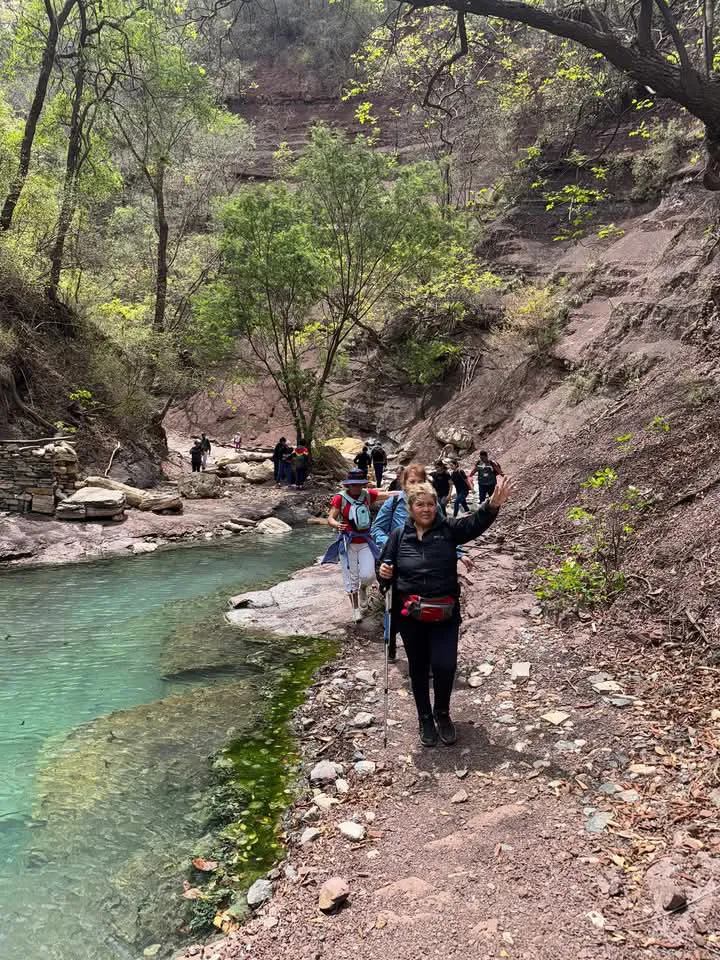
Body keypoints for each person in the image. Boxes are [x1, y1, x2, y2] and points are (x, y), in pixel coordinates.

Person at [377, 477, 512, 747]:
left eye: (430, 504)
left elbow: (474, 524)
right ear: (410, 507)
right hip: (410, 615)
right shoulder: (398, 535)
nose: (426, 509)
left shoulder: (448, 530)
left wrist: (493, 505)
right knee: (418, 668)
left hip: (444, 613)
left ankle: (442, 713)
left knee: (445, 665)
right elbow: (385, 568)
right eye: (420, 505)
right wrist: (384, 573)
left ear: (436, 506)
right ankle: (425, 718)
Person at [323, 469, 397, 623]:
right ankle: (355, 609)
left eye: (360, 484)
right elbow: (330, 518)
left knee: (368, 575)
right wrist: (337, 525)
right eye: (354, 485)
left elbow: (388, 494)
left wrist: (406, 492)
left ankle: (364, 588)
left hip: (365, 541)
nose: (357, 487)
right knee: (351, 577)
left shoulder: (367, 495)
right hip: (348, 541)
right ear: (348, 485)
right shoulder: (340, 498)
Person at [371, 462, 428, 659]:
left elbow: (445, 530)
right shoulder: (393, 503)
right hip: (393, 563)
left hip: (421, 564)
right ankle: (391, 643)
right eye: (412, 481)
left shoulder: (431, 504)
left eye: (420, 481)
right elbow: (376, 529)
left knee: (420, 607)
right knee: (393, 607)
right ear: (403, 483)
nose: (416, 485)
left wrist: (458, 552)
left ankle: (421, 654)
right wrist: (391, 543)